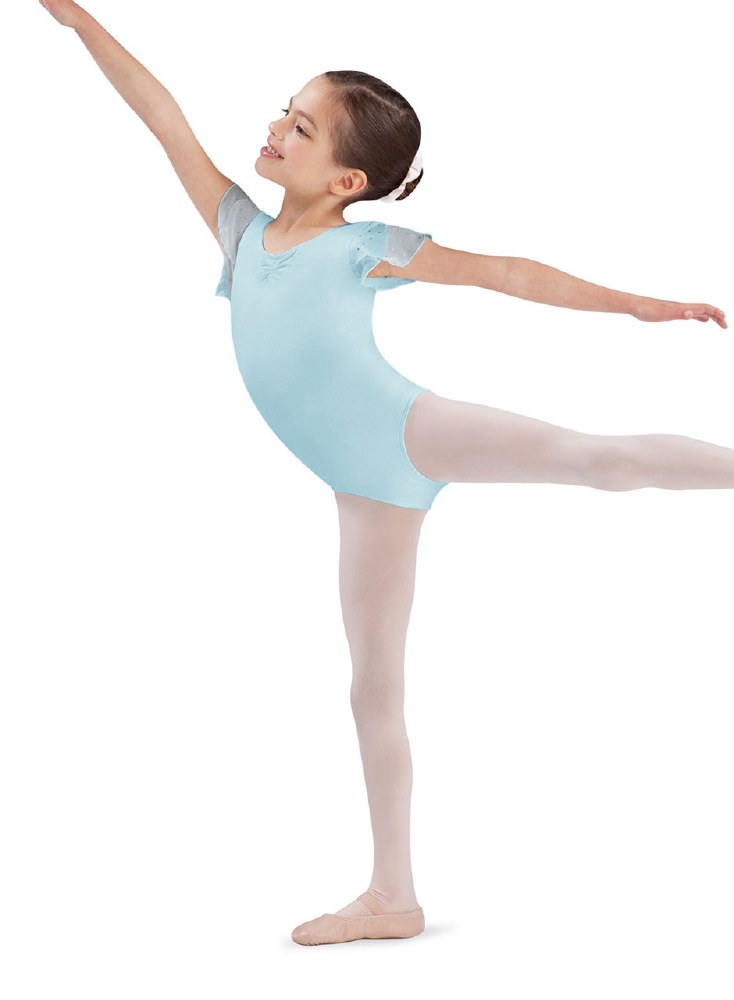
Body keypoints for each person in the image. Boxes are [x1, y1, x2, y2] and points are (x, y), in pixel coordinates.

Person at [39, 0, 730, 948]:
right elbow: (162, 116)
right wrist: (79, 22)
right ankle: (393, 897)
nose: (276, 127)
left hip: (406, 433)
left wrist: (639, 305)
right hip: (363, 490)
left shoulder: (361, 248)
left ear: (348, 181)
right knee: (373, 687)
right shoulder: (239, 230)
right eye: (285, 110)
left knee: (592, 458)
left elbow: (508, 273)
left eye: (301, 126)